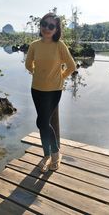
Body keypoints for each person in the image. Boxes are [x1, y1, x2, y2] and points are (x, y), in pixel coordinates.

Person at [25, 12, 76, 172]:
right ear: (40, 26)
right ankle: (47, 155)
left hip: (53, 91)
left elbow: (72, 66)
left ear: (56, 29)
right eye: (44, 24)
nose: (47, 28)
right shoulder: (34, 45)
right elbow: (28, 64)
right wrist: (36, 72)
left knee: (42, 122)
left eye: (51, 26)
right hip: (36, 89)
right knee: (43, 123)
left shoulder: (59, 45)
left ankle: (54, 154)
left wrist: (60, 77)